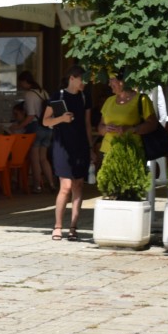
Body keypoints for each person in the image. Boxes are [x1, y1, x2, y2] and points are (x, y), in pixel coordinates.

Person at [42, 65, 94, 240]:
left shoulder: (85, 97)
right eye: (82, 80)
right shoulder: (58, 96)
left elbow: (87, 124)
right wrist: (62, 119)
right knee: (65, 186)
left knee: (78, 186)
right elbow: (45, 121)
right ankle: (57, 226)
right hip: (62, 145)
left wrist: (90, 147)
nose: (84, 83)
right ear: (72, 78)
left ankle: (73, 226)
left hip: (80, 146)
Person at [98, 69, 159, 157]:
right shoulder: (109, 101)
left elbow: (152, 124)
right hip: (107, 151)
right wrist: (105, 128)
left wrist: (131, 129)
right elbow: (100, 126)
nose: (109, 84)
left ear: (121, 82)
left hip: (131, 151)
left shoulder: (141, 99)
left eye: (111, 80)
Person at [17, 70, 56, 193]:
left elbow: (30, 116)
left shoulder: (29, 95)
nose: (20, 86)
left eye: (21, 83)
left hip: (35, 127)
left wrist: (18, 127)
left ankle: (37, 186)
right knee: (43, 158)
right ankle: (51, 183)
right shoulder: (43, 92)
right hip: (47, 128)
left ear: (24, 82)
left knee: (35, 159)